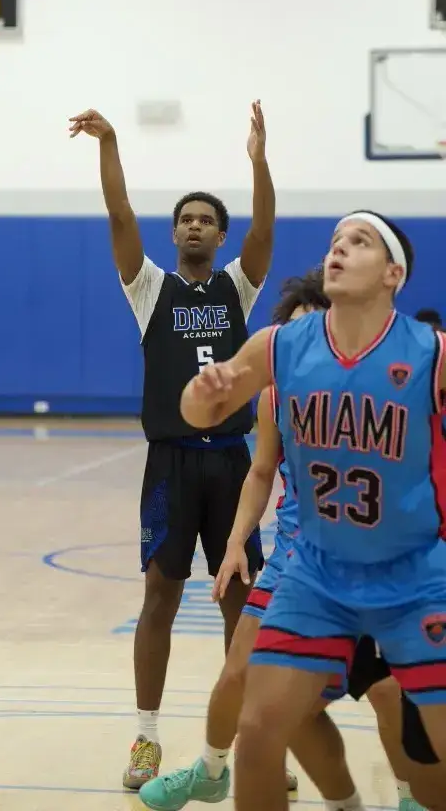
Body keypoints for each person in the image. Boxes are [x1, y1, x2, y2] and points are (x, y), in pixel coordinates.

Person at [178, 210, 446, 811]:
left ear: (393, 273)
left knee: (433, 777)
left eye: (359, 242)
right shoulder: (280, 348)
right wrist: (202, 396)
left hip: (413, 574)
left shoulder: (429, 353)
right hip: (317, 571)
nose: (339, 250)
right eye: (334, 242)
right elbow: (202, 415)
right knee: (259, 730)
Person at [69, 102, 275, 790]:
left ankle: (246, 742)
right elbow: (121, 215)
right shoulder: (149, 287)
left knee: (239, 598)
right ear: (176, 232)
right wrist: (111, 144)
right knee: (161, 592)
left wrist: (257, 161)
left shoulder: (238, 286)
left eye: (205, 219)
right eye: (184, 217)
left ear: (220, 236)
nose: (193, 225)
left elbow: (267, 227)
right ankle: (148, 738)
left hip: (233, 463)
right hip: (172, 462)